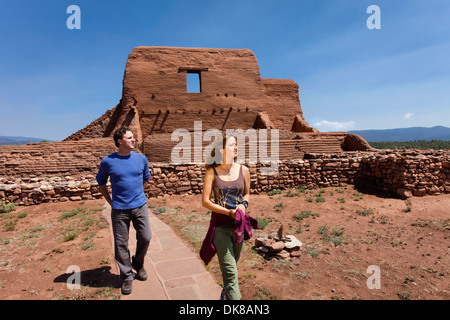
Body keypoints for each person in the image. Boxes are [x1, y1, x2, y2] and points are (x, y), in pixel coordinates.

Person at [96, 126, 152, 295]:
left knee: (146, 236)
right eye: (129, 138)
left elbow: (146, 179)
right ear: (120, 141)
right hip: (119, 209)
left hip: (140, 206)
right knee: (121, 243)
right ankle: (126, 276)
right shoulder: (108, 161)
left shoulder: (141, 159)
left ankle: (137, 263)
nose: (133, 139)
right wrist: (111, 202)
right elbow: (101, 183)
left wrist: (138, 194)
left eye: (133, 137)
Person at [200, 132, 252, 300]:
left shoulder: (244, 170)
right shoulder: (212, 172)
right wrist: (228, 212)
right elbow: (206, 202)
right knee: (230, 273)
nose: (236, 147)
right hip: (220, 227)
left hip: (238, 226)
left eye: (236, 144)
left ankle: (225, 296)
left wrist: (243, 205)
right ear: (221, 150)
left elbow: (247, 194)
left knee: (232, 269)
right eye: (231, 145)